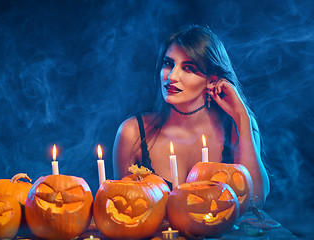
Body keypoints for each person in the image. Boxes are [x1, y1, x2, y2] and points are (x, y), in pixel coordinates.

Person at [112, 25, 270, 207]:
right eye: (168, 63)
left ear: (211, 80)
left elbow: (256, 200)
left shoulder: (237, 126)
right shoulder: (132, 132)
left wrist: (242, 116)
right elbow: (124, 208)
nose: (172, 76)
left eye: (188, 68)